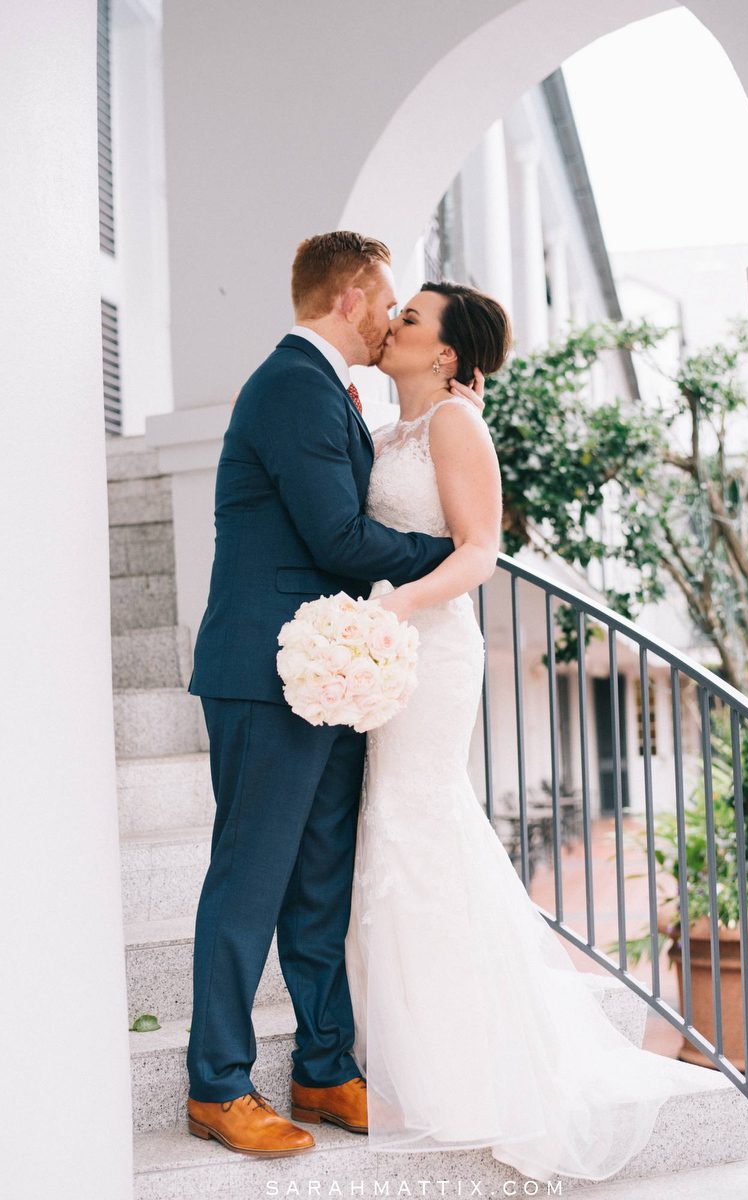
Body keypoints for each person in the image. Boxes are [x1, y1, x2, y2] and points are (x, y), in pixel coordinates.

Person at [341, 282, 685, 1185]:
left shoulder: (456, 426)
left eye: (410, 318)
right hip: (381, 648)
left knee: (413, 829)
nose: (391, 324)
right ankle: (413, 1046)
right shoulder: (386, 431)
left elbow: (478, 549)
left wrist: (392, 606)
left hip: (428, 644)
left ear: (447, 355)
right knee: (392, 831)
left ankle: (455, 1067)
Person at [183, 232, 483, 1158]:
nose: (392, 317)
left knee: (319, 881)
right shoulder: (291, 386)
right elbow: (341, 542)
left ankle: (322, 1065)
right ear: (351, 297)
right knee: (251, 876)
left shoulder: (338, 396)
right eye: (387, 300)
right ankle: (217, 1085)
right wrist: (455, 554)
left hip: (332, 674)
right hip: (263, 673)